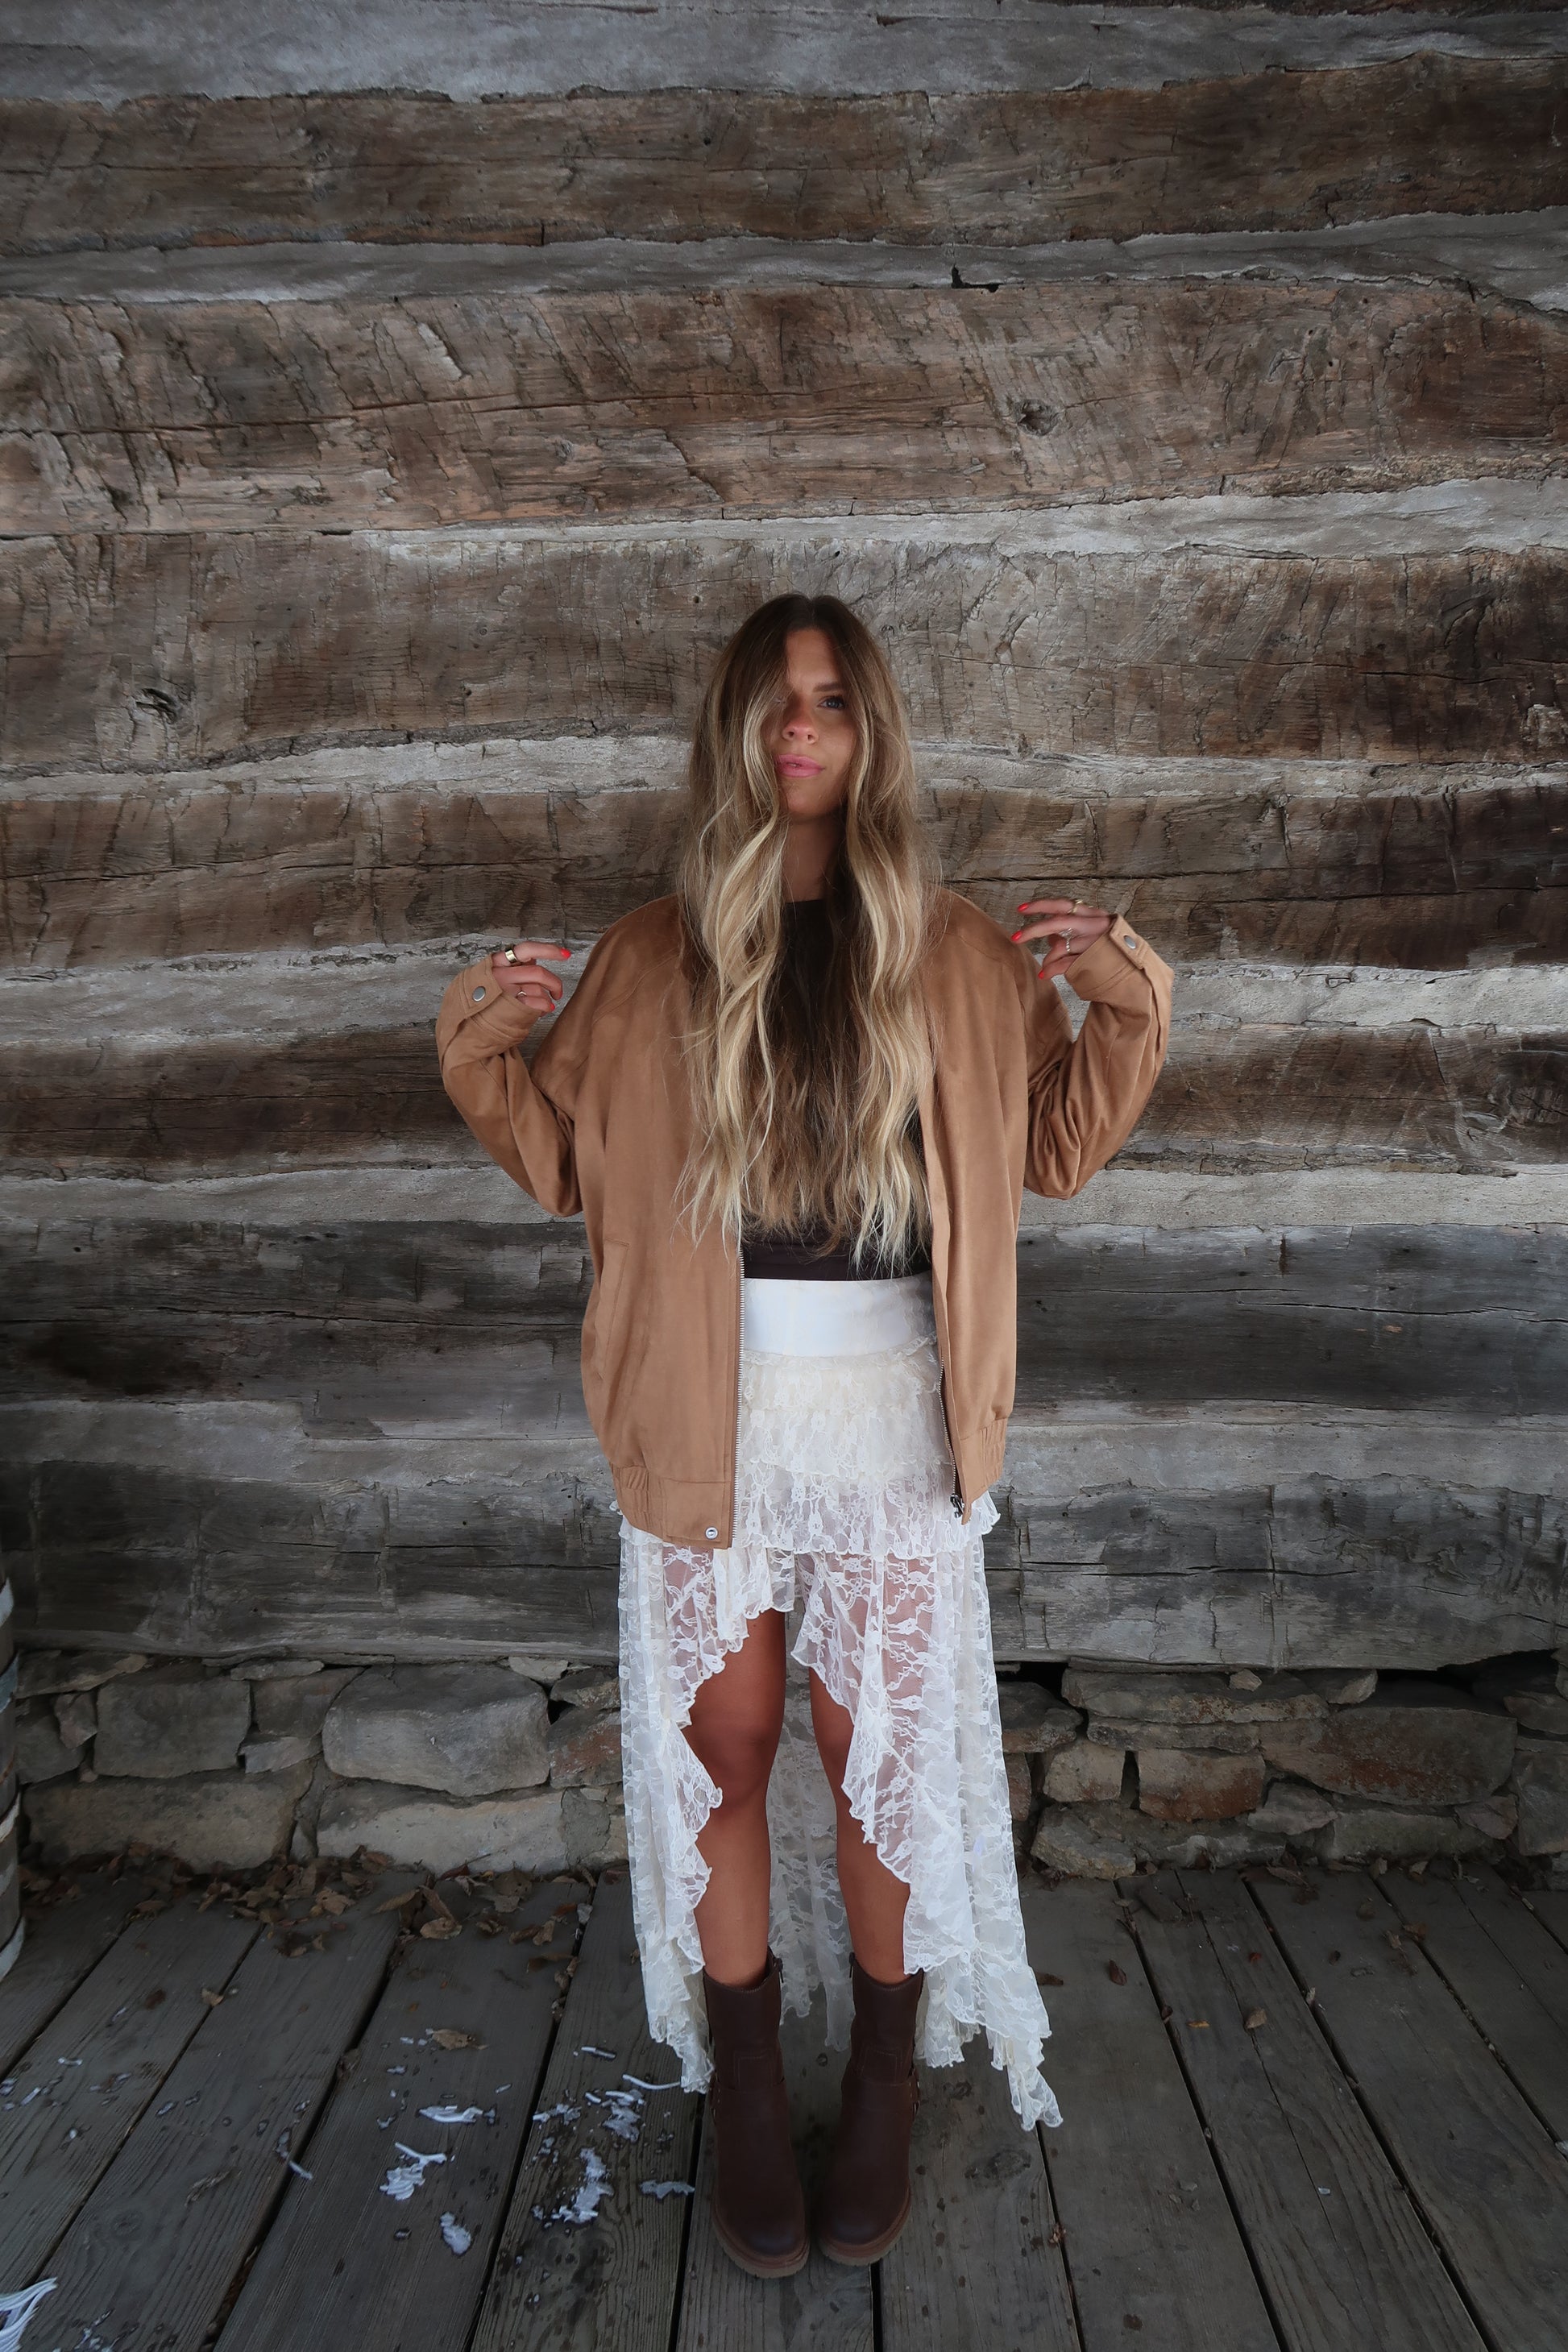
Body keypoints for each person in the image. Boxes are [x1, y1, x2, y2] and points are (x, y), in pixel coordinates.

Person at [436, 593, 1172, 2279]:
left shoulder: (956, 949)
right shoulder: (653, 951)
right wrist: (479, 1045)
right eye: (775, 699)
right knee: (730, 1747)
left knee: (874, 1750)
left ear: (868, 729)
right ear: (734, 728)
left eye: (831, 699)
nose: (800, 726)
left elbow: (1053, 1149)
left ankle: (887, 2078)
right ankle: (753, 2085)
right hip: (706, 1415)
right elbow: (564, 1165)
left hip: (893, 1422)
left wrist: (1125, 1002)